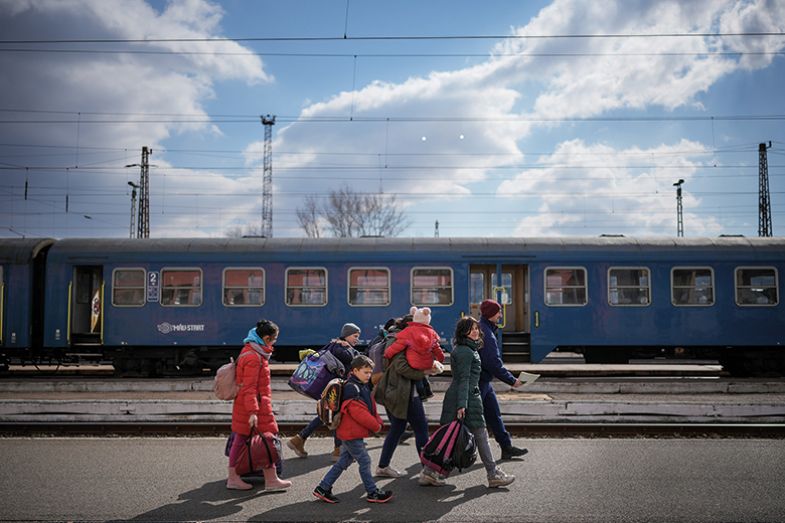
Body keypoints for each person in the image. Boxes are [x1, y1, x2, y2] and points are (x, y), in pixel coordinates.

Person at [427, 316, 515, 488]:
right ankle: (493, 474)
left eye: (476, 328)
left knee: (452, 437)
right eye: (471, 328)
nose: (476, 331)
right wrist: (462, 404)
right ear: (463, 332)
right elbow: (464, 380)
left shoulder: (466, 349)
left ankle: (429, 472)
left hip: (464, 397)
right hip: (465, 399)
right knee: (479, 436)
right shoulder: (466, 352)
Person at [313, 354, 393, 504]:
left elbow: (369, 408)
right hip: (351, 434)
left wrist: (377, 420)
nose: (369, 375)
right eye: (365, 372)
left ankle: (323, 488)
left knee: (343, 462)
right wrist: (375, 425)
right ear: (355, 371)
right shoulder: (352, 387)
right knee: (365, 461)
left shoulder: (359, 385)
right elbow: (359, 412)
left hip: (351, 432)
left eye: (370, 372)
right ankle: (372, 492)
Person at [226, 319, 292, 491]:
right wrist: (253, 412)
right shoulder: (254, 357)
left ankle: (271, 479)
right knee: (258, 440)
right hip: (254, 407)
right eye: (274, 339)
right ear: (266, 338)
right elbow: (249, 388)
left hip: (254, 405)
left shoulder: (253, 352)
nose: (275, 342)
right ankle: (235, 478)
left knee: (263, 440)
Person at [287, 322, 361, 461]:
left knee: (329, 414)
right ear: (346, 335)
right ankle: (337, 451)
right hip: (335, 389)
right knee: (334, 415)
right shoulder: (341, 348)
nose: (357, 339)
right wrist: (350, 348)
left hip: (331, 388)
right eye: (355, 336)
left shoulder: (334, 345)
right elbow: (355, 359)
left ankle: (299, 440)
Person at [373, 314, 435, 480]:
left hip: (396, 390)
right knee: (421, 428)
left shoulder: (396, 337)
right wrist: (424, 372)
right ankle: (427, 471)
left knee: (398, 428)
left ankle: (383, 466)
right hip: (403, 392)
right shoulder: (400, 340)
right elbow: (401, 367)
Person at [478, 299, 528, 460]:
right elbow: (493, 363)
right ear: (491, 314)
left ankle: (506, 447)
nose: (500, 315)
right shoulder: (486, 333)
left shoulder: (486, 329)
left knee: (494, 413)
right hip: (479, 382)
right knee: (466, 421)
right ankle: (444, 453)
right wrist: (512, 381)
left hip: (484, 381)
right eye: (498, 312)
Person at [384, 306, 445, 371]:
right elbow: (437, 349)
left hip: (413, 364)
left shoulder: (409, 331)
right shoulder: (432, 333)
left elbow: (397, 346)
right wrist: (440, 359)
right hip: (428, 364)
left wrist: (387, 354)